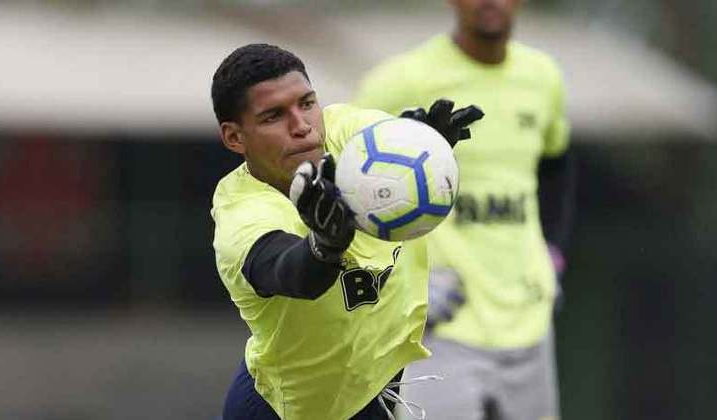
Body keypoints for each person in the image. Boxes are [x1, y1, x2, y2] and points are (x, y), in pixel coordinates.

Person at [210, 43, 483, 420]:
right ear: (234, 138)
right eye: (274, 116)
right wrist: (325, 246)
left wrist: (422, 147)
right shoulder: (242, 212)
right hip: (291, 411)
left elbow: (393, 145)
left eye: (306, 103)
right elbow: (293, 274)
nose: (301, 125)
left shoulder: (345, 132)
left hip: (374, 393)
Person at [355, 1, 576, 419]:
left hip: (527, 322)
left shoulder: (543, 77)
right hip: (440, 327)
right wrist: (399, 285)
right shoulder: (399, 81)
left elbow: (557, 165)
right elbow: (351, 189)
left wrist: (553, 254)